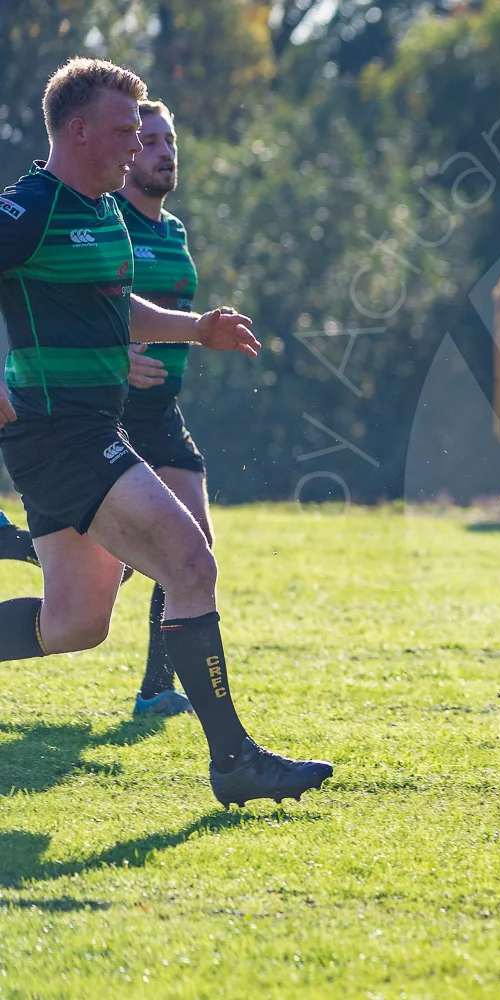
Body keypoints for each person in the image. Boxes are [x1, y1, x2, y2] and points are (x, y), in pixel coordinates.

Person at [0, 57, 332, 807]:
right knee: (190, 562)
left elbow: (118, 307)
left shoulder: (103, 208)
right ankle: (235, 761)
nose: (136, 142)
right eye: (125, 130)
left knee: (75, 623)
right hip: (61, 434)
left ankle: (232, 757)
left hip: (85, 427)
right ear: (78, 131)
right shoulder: (30, 207)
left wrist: (196, 329)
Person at [116, 99, 209, 717]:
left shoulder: (173, 231)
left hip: (164, 412)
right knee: (102, 570)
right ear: (125, 153)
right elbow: (77, 305)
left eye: (170, 139)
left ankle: (157, 688)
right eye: (149, 140)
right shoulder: (106, 221)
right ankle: (14, 542)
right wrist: (112, 356)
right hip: (111, 409)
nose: (164, 151)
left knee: (191, 546)